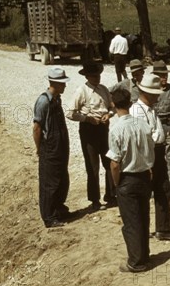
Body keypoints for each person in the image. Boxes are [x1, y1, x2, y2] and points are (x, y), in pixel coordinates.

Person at [107, 88, 155, 273]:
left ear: (113, 104)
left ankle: (136, 261)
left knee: (131, 222)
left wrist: (117, 183)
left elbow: (114, 163)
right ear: (130, 102)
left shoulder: (116, 128)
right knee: (144, 217)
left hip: (127, 177)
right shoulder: (143, 125)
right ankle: (144, 255)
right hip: (144, 174)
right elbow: (151, 150)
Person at [130, 74, 170, 241]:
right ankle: (144, 232)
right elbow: (142, 139)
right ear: (146, 93)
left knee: (163, 189)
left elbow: (156, 132)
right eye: (155, 93)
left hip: (157, 152)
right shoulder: (137, 111)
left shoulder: (150, 109)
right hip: (148, 154)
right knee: (147, 193)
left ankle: (163, 228)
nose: (159, 96)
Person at [66, 63, 116, 211]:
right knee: (92, 166)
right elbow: (70, 113)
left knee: (108, 162)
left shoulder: (104, 89)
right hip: (89, 130)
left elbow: (112, 106)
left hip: (103, 128)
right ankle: (95, 200)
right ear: (87, 77)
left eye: (98, 75)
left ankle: (111, 195)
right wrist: (87, 119)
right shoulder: (81, 91)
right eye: (94, 76)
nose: (97, 78)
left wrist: (109, 114)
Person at [33, 67, 71, 228]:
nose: (65, 86)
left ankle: (59, 209)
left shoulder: (57, 99)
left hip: (60, 145)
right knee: (50, 183)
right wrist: (39, 148)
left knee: (62, 179)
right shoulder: (43, 101)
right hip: (49, 147)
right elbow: (37, 127)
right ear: (54, 83)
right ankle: (49, 217)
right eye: (62, 83)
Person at [152, 60, 170, 192]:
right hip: (154, 127)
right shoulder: (149, 90)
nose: (164, 78)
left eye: (165, 75)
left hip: (169, 125)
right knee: (153, 157)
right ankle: (155, 186)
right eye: (160, 75)